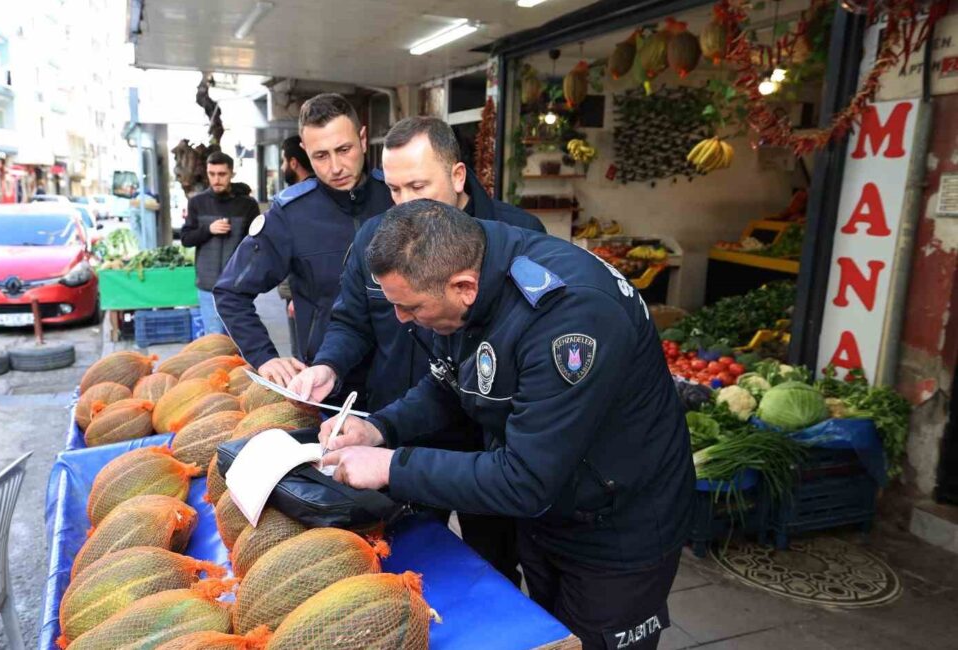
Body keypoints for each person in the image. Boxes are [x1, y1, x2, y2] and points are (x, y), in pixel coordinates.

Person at [320, 200, 695, 649]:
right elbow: (449, 385)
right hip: (552, 513)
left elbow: (526, 478)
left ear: (464, 287)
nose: (401, 319)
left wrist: (392, 467)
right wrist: (379, 428)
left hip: (617, 533)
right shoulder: (469, 270)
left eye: (411, 307)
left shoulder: (568, 317)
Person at [287, 115, 545, 583]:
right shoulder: (377, 240)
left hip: (481, 448)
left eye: (418, 187)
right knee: (401, 561)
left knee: (491, 569)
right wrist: (329, 365)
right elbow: (351, 320)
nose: (403, 204)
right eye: (395, 189)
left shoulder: (516, 235)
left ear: (458, 176)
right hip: (397, 430)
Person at [214, 93, 393, 389]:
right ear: (304, 151)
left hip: (406, 381)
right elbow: (230, 292)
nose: (335, 167)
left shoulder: (397, 196)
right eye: (320, 156)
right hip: (329, 384)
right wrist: (265, 356)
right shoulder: (290, 215)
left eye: (344, 149)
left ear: (363, 139)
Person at [181, 152, 260, 335]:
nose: (216, 179)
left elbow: (258, 243)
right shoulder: (197, 202)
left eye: (222, 174)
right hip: (208, 285)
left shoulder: (247, 205)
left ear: (232, 173)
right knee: (215, 340)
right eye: (212, 174)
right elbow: (186, 239)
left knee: (240, 340)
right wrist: (208, 229)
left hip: (238, 285)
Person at [276, 135, 314, 358]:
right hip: (301, 295)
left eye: (283, 161)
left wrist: (294, 297)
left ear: (293, 163)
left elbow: (299, 253)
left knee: (303, 356)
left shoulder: (295, 202)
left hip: (303, 297)